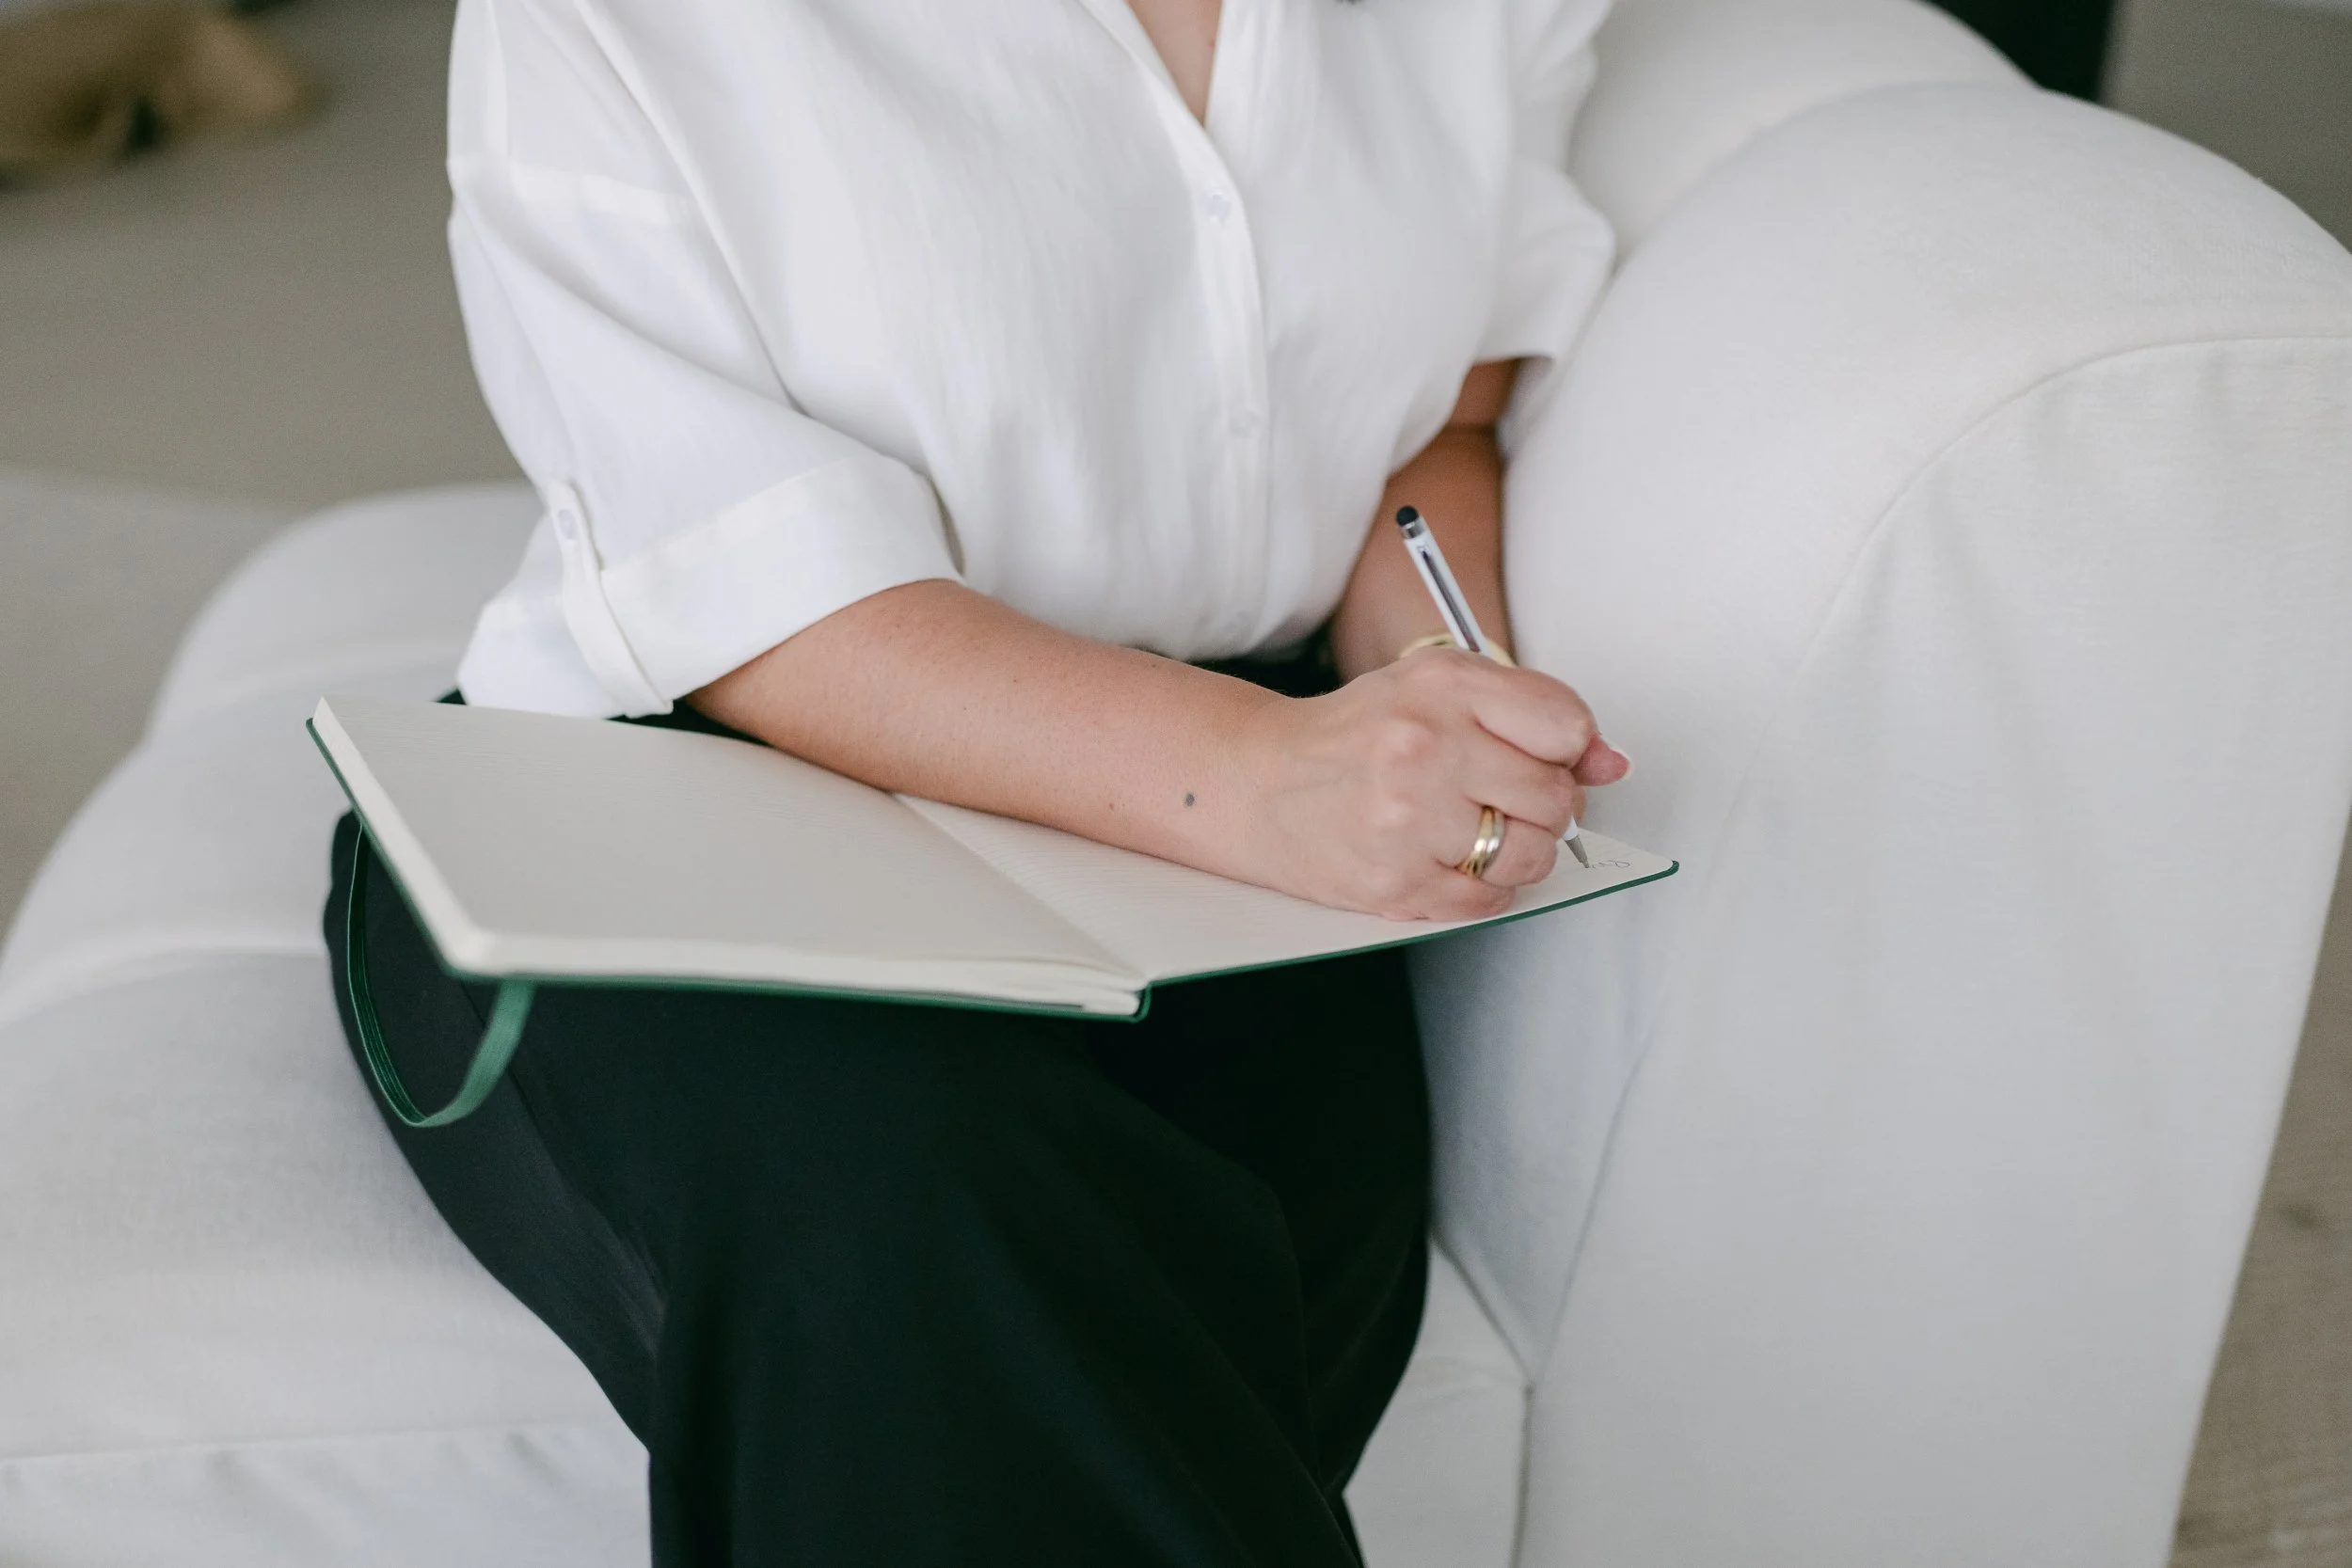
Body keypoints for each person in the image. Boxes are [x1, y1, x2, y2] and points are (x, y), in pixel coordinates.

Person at [325, 0, 1628, 1561]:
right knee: (906, 1230)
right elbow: (746, 602)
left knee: (1247, 1263)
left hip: (1217, 865)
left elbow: (1437, 415)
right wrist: (1268, 775)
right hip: (656, 806)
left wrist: (1432, 691)